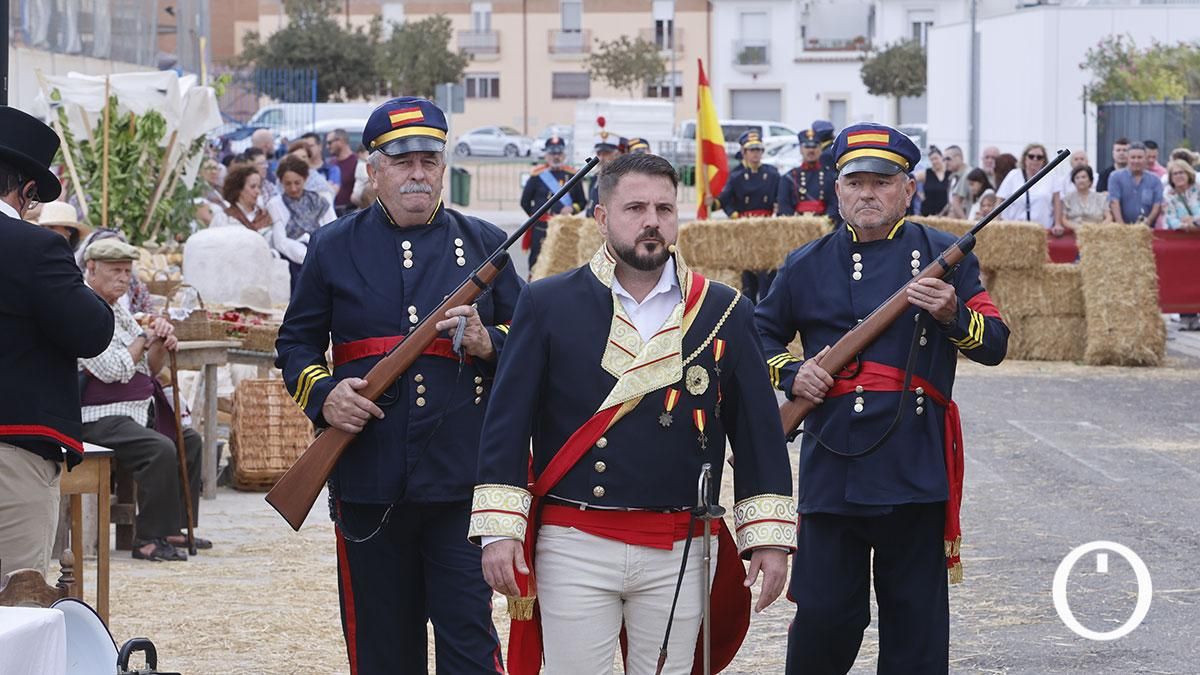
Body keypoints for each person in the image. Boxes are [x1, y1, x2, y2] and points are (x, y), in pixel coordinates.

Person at [472, 152, 794, 675]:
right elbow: (507, 424)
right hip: (574, 539)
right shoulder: (547, 302)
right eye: (635, 207)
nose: (652, 221)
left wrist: (769, 536)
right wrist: (500, 530)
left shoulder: (722, 309)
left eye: (665, 209)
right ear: (601, 218)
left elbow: (756, 432)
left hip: (681, 545)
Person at [275, 96, 523, 673]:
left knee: (470, 647)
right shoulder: (333, 246)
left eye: (429, 161)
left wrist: (491, 342)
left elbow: (529, 344)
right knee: (383, 651)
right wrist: (324, 394)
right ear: (374, 168)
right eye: (402, 160)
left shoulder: (487, 243)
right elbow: (296, 344)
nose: (417, 172)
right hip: (369, 479)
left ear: (443, 167)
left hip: (462, 484)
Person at [754, 122, 1009, 674]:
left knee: (914, 630)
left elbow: (995, 344)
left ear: (908, 190)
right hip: (832, 470)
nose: (868, 193)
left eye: (883, 181)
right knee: (824, 619)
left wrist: (950, 314)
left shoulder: (944, 253)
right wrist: (792, 374)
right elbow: (759, 335)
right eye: (856, 181)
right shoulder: (806, 262)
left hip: (912, 467)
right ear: (837, 189)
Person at [0, 106, 115, 578]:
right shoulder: (34, 247)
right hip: (12, 448)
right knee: (14, 610)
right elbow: (91, 332)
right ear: (27, 191)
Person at [78, 238, 208, 562]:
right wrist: (143, 337)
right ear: (92, 269)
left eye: (127, 271)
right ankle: (148, 539)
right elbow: (112, 370)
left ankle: (175, 526)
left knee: (189, 440)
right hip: (97, 416)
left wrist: (161, 342)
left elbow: (149, 368)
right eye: (115, 271)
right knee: (158, 449)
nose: (124, 278)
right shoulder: (81, 309)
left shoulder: (119, 309)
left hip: (134, 410)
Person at [715, 130, 781, 303]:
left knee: (767, 273)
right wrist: (732, 213)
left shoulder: (772, 174)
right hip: (744, 228)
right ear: (744, 152)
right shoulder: (736, 176)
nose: (755, 154)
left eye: (758, 150)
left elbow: (780, 198)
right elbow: (725, 200)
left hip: (766, 228)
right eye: (752, 150)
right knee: (747, 275)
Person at [518, 135, 587, 270]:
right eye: (552, 153)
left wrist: (572, 209)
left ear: (564, 155)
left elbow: (582, 202)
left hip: (564, 228)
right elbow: (525, 202)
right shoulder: (537, 176)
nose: (556, 157)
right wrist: (537, 217)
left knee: (563, 266)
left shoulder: (573, 175)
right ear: (546, 155)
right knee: (536, 264)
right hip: (541, 228)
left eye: (559, 153)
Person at [268, 155, 335, 291]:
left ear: (305, 179)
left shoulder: (319, 201)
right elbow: (281, 241)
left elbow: (333, 230)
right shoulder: (275, 204)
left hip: (323, 256)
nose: (293, 188)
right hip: (295, 263)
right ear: (281, 182)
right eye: (288, 184)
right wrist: (307, 258)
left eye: (297, 183)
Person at [776, 128, 837, 220]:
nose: (811, 150)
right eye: (807, 146)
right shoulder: (789, 177)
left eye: (815, 146)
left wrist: (825, 222)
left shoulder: (831, 177)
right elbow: (784, 207)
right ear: (800, 149)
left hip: (824, 226)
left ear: (821, 149)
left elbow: (835, 205)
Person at [997, 143, 1056, 228]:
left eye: (1039, 157)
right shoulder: (1014, 175)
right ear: (1025, 158)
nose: (1035, 159)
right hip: (1015, 227)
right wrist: (996, 222)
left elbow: (1057, 201)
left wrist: (1057, 223)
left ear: (1044, 160)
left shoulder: (1051, 176)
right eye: (1031, 156)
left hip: (1042, 228)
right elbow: (1000, 199)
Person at [1107, 142, 1163, 226]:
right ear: (1127, 159)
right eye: (1133, 157)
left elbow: (1157, 204)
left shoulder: (1155, 180)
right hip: (1122, 229)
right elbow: (1114, 202)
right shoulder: (1115, 177)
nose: (1136, 161)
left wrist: (1148, 222)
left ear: (1145, 159)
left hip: (1147, 229)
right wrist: (1121, 225)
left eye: (1140, 157)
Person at [1054, 165, 1109, 236]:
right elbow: (1063, 219)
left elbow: (1108, 217)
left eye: (1084, 177)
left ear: (1090, 180)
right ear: (1074, 181)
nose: (1080, 180)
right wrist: (1079, 228)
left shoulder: (1101, 197)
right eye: (1077, 178)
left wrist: (1098, 228)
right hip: (1075, 235)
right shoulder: (1067, 198)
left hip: (1098, 235)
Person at [585, 118, 622, 218]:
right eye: (599, 154)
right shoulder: (595, 178)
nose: (601, 158)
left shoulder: (621, 178)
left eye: (606, 153)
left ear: (616, 154)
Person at [221, 163, 272, 231]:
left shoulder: (265, 215)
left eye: (259, 187)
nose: (258, 192)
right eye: (252, 187)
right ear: (239, 189)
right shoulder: (226, 218)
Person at [325, 128, 359, 216]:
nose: (327, 147)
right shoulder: (330, 164)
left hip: (350, 215)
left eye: (329, 143)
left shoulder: (357, 162)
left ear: (340, 141)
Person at [918, 146, 952, 217]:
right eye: (931, 160)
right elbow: (911, 179)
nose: (934, 161)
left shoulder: (950, 174)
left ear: (942, 157)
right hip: (927, 215)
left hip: (945, 215)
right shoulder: (926, 173)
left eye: (936, 158)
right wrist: (919, 194)